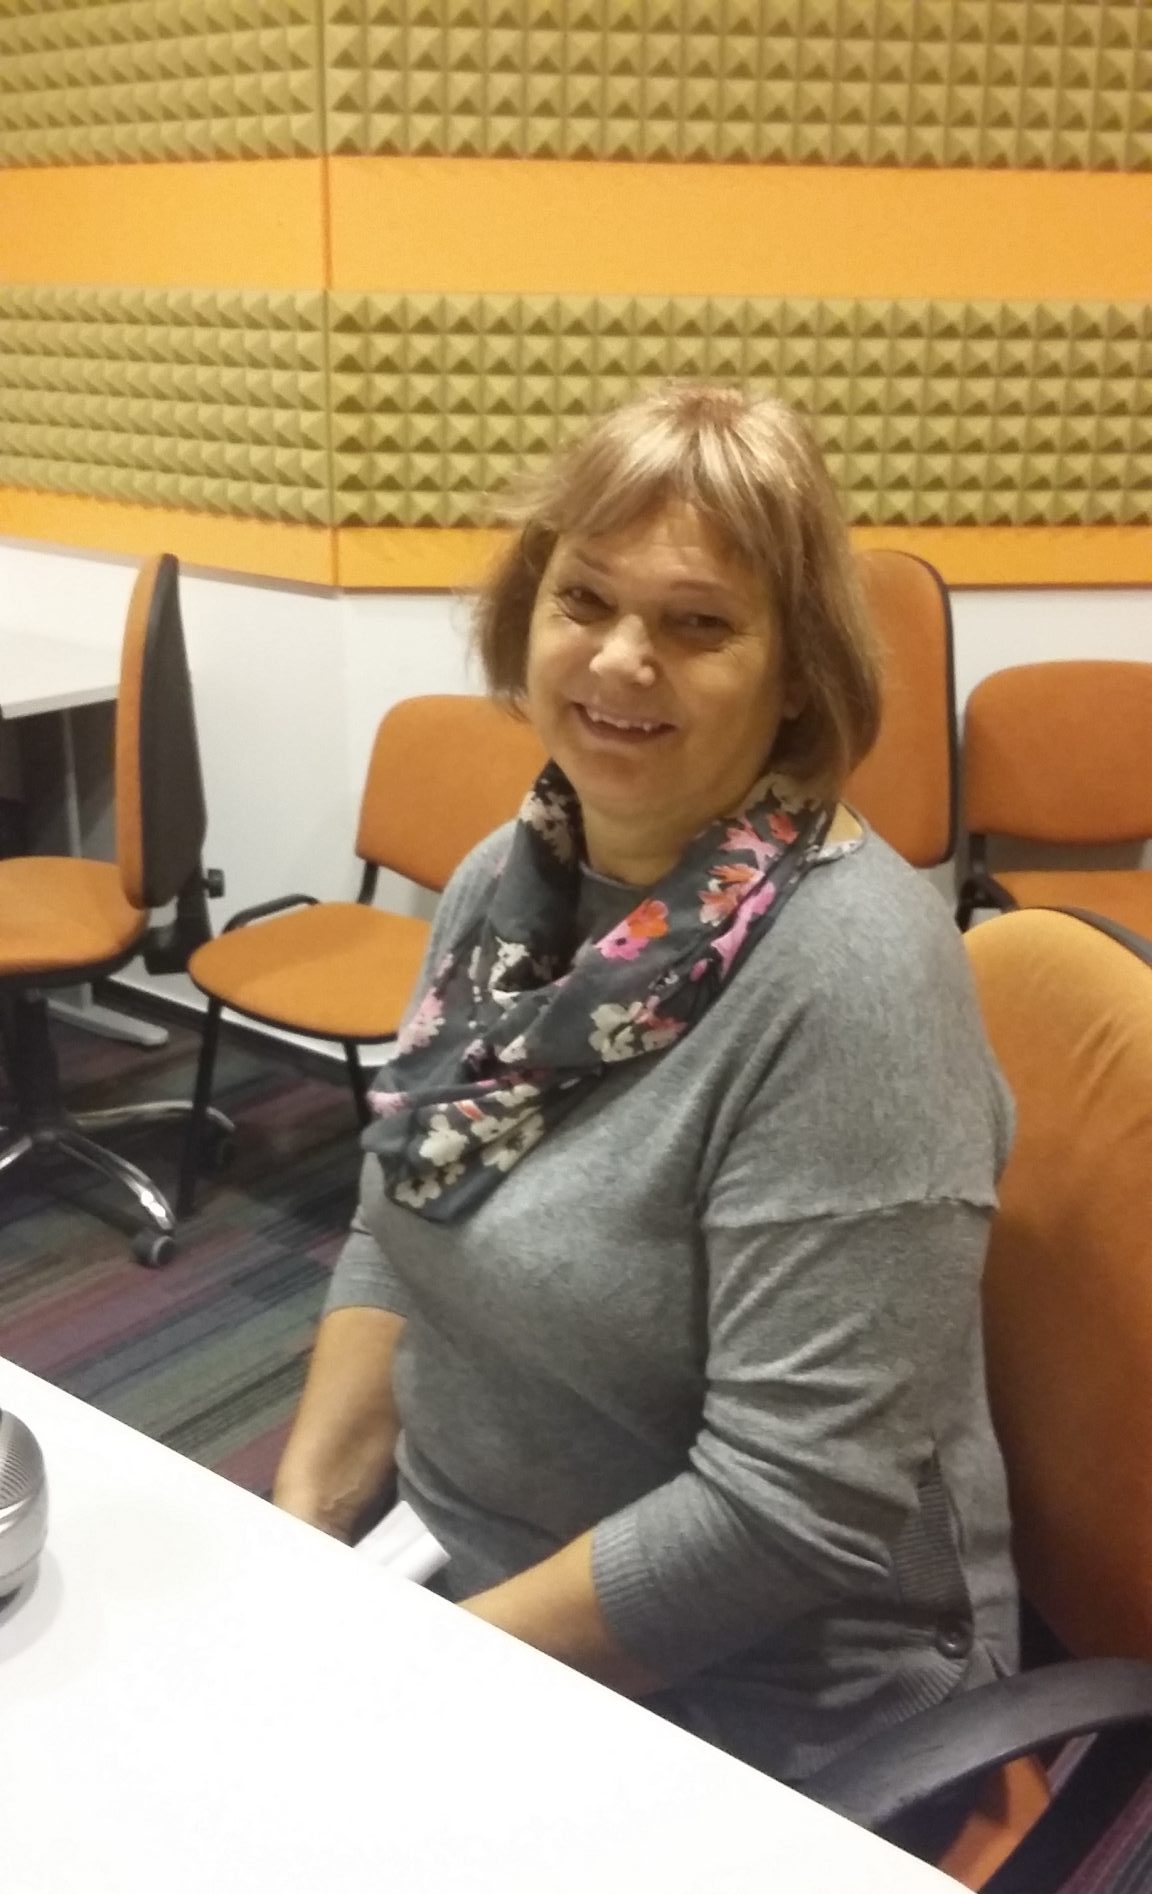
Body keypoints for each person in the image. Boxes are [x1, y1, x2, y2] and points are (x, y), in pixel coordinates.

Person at [273, 384, 1018, 1798]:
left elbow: (788, 1513)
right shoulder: (510, 879)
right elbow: (401, 1207)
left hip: (758, 1699)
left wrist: (414, 1681)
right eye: (586, 599)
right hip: (472, 1587)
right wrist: (299, 1531)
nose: (620, 659)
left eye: (698, 623)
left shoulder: (851, 983)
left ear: (795, 675)